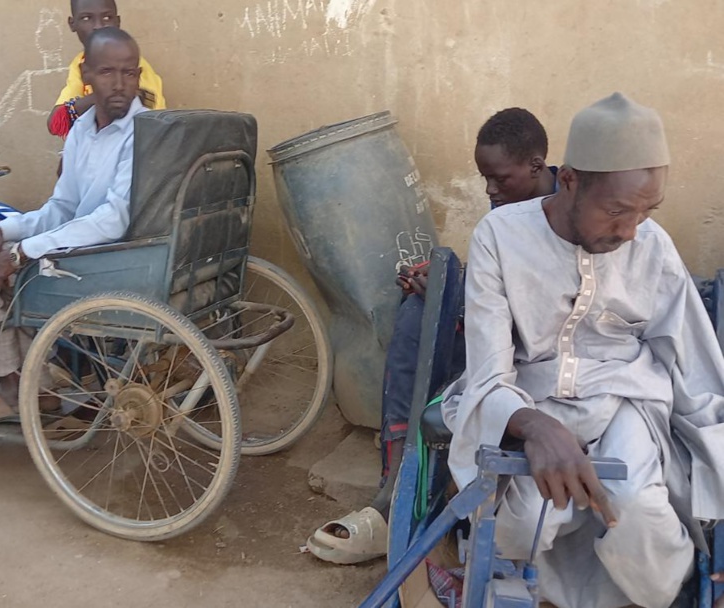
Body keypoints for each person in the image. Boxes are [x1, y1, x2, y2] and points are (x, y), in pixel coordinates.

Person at [443, 92, 724, 608]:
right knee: (524, 523)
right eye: (616, 210)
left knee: (639, 510)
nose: (629, 230)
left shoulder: (652, 245)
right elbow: (488, 369)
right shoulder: (499, 237)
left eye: (645, 211)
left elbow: (695, 367)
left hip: (626, 398)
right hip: (533, 397)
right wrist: (535, 426)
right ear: (570, 179)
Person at [306, 108, 558, 565]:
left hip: (538, 354)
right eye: (485, 179)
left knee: (432, 327)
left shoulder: (561, 214)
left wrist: (457, 299)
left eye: (498, 179)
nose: (490, 190)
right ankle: (399, 479)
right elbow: (500, 279)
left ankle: (406, 490)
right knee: (417, 311)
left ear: (537, 166)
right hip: (500, 329)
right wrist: (445, 286)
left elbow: (533, 310)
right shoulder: (509, 205)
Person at [0, 27, 147, 425]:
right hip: (84, 250)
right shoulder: (82, 130)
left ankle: (14, 384)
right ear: (86, 74)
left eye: (129, 72)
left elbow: (114, 219)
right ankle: (34, 382)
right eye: (107, 72)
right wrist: (4, 232)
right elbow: (62, 208)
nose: (120, 84)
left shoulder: (145, 132)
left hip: (113, 260)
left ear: (138, 75)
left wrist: (23, 252)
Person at [47, 0, 165, 139]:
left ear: (118, 21)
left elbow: (149, 115)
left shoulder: (132, 64)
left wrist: (86, 103)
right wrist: (99, 98)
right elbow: (56, 122)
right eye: (86, 18)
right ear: (72, 24)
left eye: (107, 17)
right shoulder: (80, 62)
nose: (98, 26)